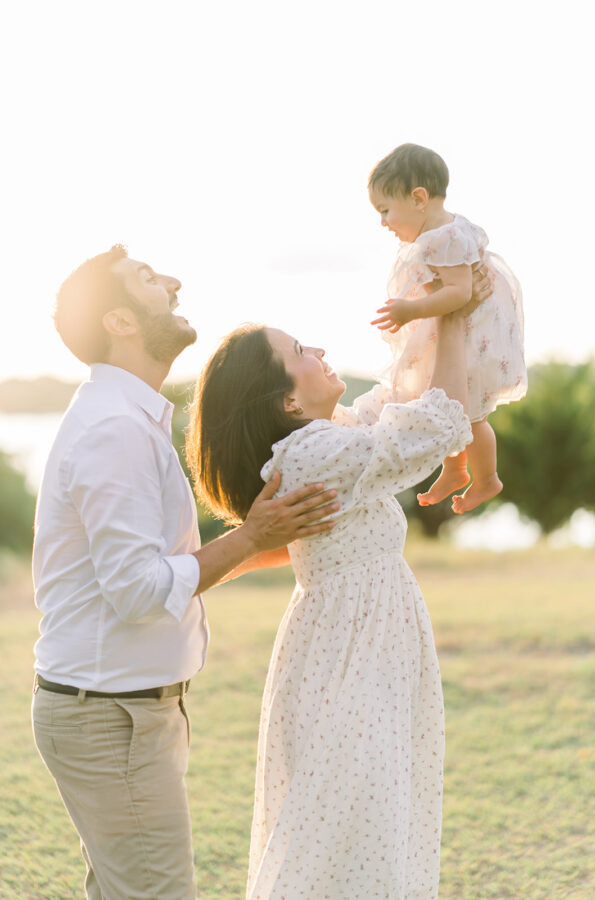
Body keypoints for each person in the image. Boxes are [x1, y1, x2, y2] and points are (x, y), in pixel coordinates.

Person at [31, 244, 339, 900]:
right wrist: (254, 533)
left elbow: (164, 573)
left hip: (122, 712)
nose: (171, 281)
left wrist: (272, 542)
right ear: (119, 322)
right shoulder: (114, 430)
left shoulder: (129, 419)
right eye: (146, 279)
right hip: (112, 719)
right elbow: (141, 593)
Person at [186, 301, 483, 898]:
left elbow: (403, 400)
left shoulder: (334, 436)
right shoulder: (313, 456)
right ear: (288, 403)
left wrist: (428, 305)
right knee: (349, 825)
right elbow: (431, 425)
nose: (318, 352)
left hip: (364, 649)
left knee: (362, 824)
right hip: (348, 660)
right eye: (300, 352)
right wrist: (453, 315)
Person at [369, 142, 527, 513]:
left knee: (472, 413)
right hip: (462, 335)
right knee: (451, 404)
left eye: (386, 210)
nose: (383, 222)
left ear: (418, 198)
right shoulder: (441, 233)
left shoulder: (446, 238)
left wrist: (412, 309)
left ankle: (487, 478)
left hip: (473, 341)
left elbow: (460, 293)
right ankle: (455, 469)